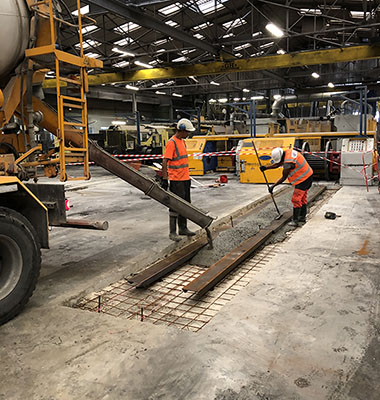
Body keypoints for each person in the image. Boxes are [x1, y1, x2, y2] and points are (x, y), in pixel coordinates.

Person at [161, 118, 196, 241]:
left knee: (185, 204)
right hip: (176, 181)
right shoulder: (172, 142)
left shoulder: (182, 141)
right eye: (187, 132)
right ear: (181, 130)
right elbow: (165, 161)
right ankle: (172, 232)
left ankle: (183, 228)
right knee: (175, 205)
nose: (188, 134)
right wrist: (165, 179)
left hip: (185, 179)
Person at [260, 147, 313, 226]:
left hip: (303, 180)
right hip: (308, 176)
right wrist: (266, 168)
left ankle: (295, 221)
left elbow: (283, 178)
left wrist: (273, 187)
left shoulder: (288, 163)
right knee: (302, 198)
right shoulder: (287, 153)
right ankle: (302, 218)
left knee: (296, 199)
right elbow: (278, 164)